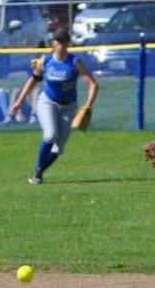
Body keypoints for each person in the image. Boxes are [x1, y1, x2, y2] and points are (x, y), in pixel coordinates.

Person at [8, 29, 98, 184]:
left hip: (69, 106)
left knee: (59, 148)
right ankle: (37, 174)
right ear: (53, 44)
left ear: (68, 44)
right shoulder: (46, 61)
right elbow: (33, 79)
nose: (61, 45)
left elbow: (93, 84)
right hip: (47, 102)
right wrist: (19, 101)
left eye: (64, 42)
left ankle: (38, 172)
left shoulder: (75, 62)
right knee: (50, 135)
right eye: (58, 42)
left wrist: (88, 106)